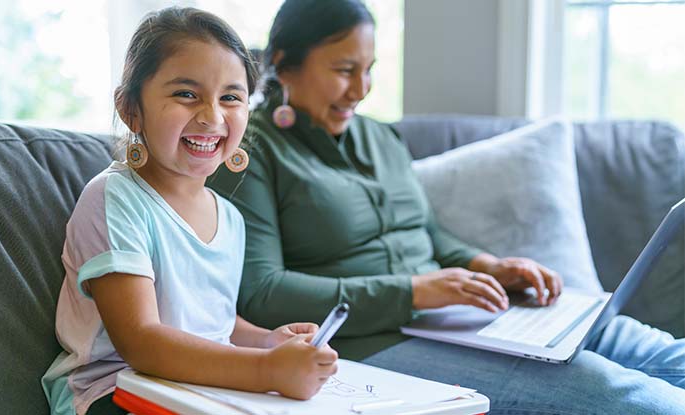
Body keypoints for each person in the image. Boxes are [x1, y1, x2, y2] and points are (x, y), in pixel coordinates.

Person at [208, 0, 685, 412]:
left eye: (369, 69)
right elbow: (262, 295)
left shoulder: (380, 137)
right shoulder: (251, 152)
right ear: (284, 64)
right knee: (633, 400)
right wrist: (414, 292)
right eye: (344, 70)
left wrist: (489, 266)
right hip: (371, 345)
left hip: (458, 322)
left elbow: (427, 234)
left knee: (672, 359)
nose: (361, 89)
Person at [41, 7, 338, 415]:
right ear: (131, 109)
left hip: (196, 389)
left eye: (231, 97)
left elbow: (215, 324)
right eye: (186, 94)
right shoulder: (115, 198)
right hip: (113, 392)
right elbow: (141, 342)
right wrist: (268, 370)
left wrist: (268, 341)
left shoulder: (229, 218)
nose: (212, 116)